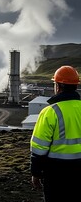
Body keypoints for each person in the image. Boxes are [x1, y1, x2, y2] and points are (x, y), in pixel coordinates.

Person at [30, 65, 81, 202]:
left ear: (57, 86)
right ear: (76, 86)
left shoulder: (50, 112)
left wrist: (36, 173)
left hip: (56, 173)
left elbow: (39, 148)